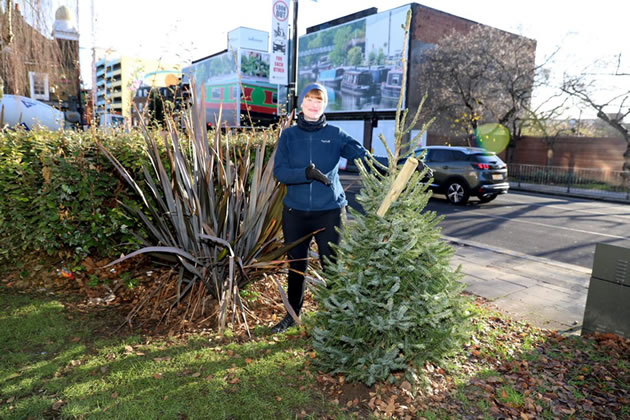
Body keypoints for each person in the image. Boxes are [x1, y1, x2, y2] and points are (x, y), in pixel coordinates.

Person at [272, 83, 367, 333]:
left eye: (320, 100)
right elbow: (279, 172)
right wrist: (306, 173)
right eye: (310, 99)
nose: (314, 105)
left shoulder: (336, 135)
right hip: (295, 213)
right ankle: (292, 316)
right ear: (301, 103)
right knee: (296, 267)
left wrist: (402, 164)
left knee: (332, 267)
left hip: (330, 212)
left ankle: (338, 319)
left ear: (325, 105)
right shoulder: (289, 136)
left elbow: (364, 157)